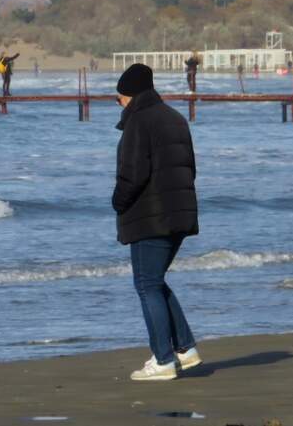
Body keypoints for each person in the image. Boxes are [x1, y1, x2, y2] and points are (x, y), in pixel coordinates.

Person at [112, 63, 201, 381]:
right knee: (155, 281)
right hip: (179, 212)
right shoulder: (175, 117)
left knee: (147, 284)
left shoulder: (139, 121)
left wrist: (117, 203)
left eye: (119, 97)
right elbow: (190, 168)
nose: (119, 102)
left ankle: (163, 359)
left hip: (151, 215)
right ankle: (184, 349)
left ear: (130, 95)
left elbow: (132, 174)